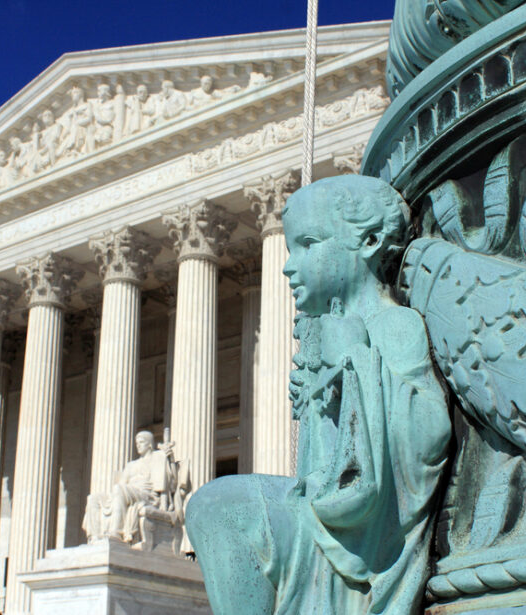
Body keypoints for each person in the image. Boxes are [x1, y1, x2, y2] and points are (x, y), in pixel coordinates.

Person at [186, 175, 451, 614]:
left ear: (367, 241)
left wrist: (357, 365)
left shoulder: (393, 325)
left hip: (358, 537)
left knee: (219, 506)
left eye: (308, 245)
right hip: (325, 517)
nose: (290, 266)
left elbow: (429, 432)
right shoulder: (328, 334)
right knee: (215, 510)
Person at [83, 431, 182, 544]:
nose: (138, 445)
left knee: (119, 490)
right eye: (137, 443)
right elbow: (121, 484)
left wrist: (171, 460)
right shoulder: (131, 465)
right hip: (129, 493)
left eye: (141, 442)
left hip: (147, 495)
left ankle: (116, 532)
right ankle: (94, 537)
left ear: (150, 444)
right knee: (93, 498)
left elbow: (172, 483)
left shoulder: (158, 459)